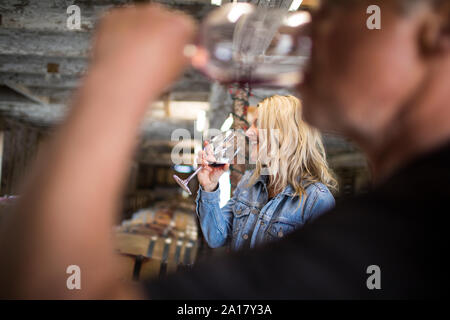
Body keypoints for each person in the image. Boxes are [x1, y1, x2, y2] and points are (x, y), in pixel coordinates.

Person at [0, 0, 448, 299]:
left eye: (333, 12)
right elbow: (217, 241)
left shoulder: (400, 216)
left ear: (439, 29)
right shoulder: (257, 186)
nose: (312, 27)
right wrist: (213, 190)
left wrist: (120, 77)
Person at [196, 95, 336, 250]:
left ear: (284, 134)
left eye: (258, 124)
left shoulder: (317, 201)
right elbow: (216, 237)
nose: (248, 132)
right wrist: (210, 187)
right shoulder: (249, 182)